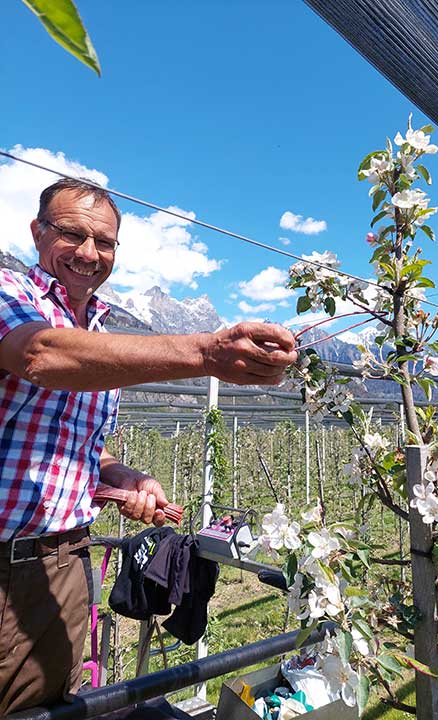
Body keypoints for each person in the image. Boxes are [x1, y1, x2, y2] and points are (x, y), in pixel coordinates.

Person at [0, 178, 297, 714]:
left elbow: (81, 447)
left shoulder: (101, 326)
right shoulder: (9, 294)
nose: (89, 253)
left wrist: (124, 479)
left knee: (53, 707)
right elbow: (38, 356)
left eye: (105, 242)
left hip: (67, 562)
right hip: (5, 565)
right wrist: (205, 352)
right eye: (72, 233)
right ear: (37, 234)